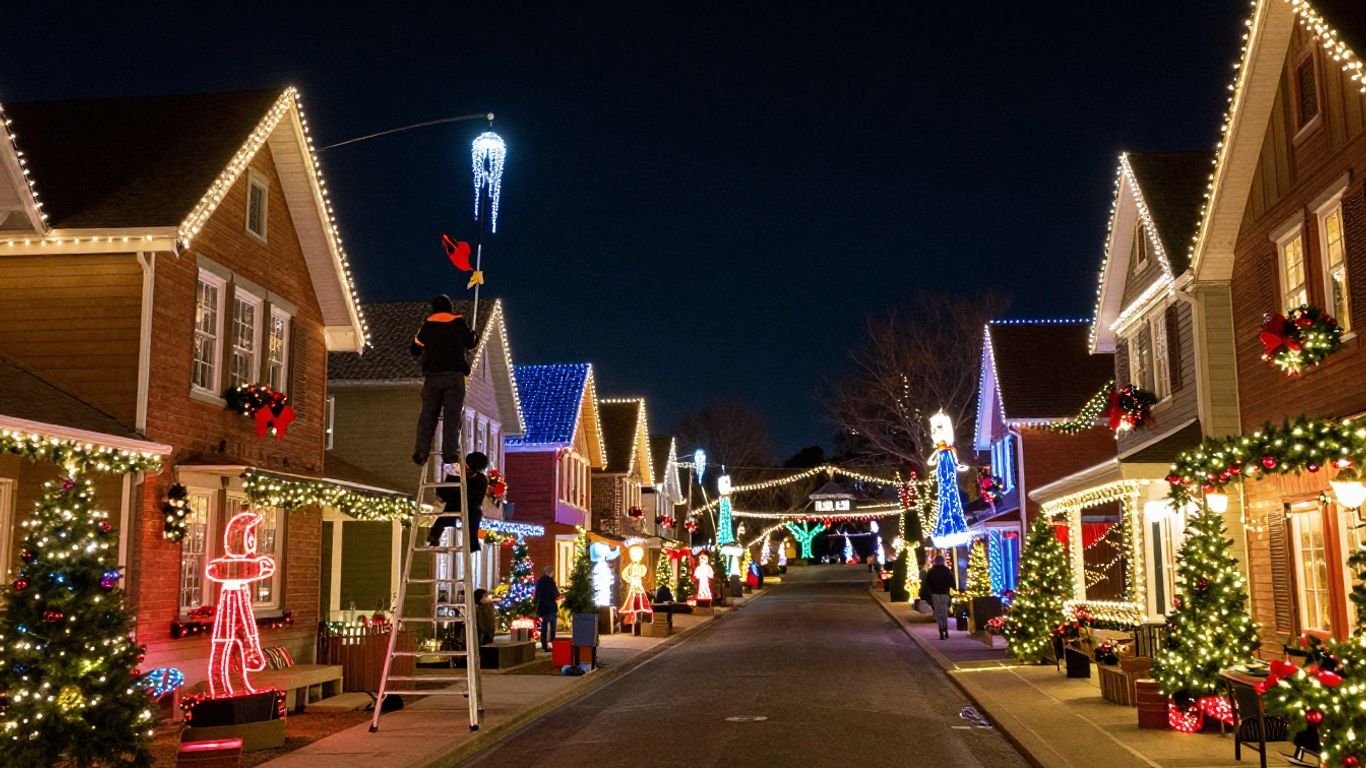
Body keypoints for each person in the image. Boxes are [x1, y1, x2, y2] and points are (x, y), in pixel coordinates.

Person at [411, 295, 478, 466]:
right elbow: (471, 343)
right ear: (450, 307)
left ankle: (421, 452)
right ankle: (450, 454)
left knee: (428, 415)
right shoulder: (458, 322)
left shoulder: (428, 325)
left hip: (432, 377)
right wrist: (474, 336)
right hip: (454, 376)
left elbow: (415, 349)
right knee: (452, 416)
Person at [428, 451, 490, 550]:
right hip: (454, 502)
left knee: (475, 515)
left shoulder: (481, 480)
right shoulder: (456, 473)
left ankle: (472, 543)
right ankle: (434, 536)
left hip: (469, 506)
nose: (470, 472)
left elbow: (478, 500)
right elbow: (446, 492)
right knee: (447, 514)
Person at [924, 555, 957, 640]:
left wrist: (930, 593)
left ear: (935, 562)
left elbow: (927, 584)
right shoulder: (947, 570)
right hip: (945, 593)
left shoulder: (931, 571)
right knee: (944, 611)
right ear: (943, 561)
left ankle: (941, 630)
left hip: (935, 594)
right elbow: (952, 583)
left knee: (938, 612)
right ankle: (946, 629)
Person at [534, 566, 560, 652]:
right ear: (551, 572)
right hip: (551, 608)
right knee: (552, 629)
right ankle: (553, 644)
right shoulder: (550, 581)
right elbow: (555, 594)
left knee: (544, 628)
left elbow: (536, 595)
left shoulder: (540, 581)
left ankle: (544, 645)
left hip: (543, 608)